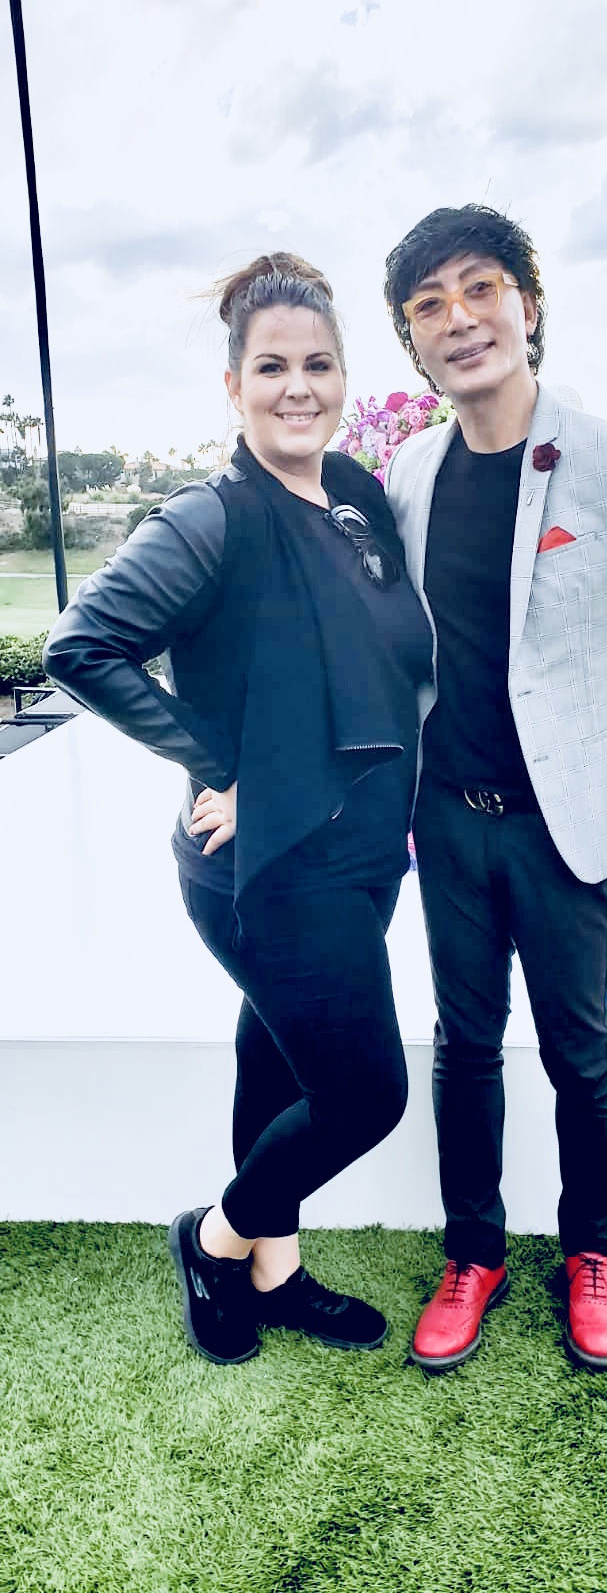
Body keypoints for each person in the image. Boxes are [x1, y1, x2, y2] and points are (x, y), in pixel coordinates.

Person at [44, 252, 433, 1366]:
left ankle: (276, 1270)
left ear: (344, 375)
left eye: (318, 364)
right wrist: (224, 765)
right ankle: (214, 1238)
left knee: (275, 1060)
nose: (297, 386)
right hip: (265, 868)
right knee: (363, 1094)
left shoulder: (354, 497)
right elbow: (83, 647)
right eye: (271, 367)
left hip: (360, 855)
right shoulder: (212, 517)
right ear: (233, 386)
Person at [382, 205, 607, 1371]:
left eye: (480, 288)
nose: (459, 318)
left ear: (528, 304)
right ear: (413, 341)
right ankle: (472, 1252)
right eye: (429, 304)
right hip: (447, 821)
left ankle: (592, 1253)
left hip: (562, 830)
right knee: (464, 1045)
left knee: (581, 1048)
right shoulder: (411, 471)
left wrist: (606, 744)